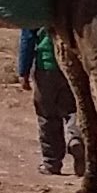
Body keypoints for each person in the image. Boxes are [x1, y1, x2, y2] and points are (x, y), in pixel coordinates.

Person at [17, 23, 74, 177]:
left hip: (46, 66)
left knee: (47, 115)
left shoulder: (37, 6)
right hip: (73, 67)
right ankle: (76, 139)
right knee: (75, 111)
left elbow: (27, 38)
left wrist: (23, 71)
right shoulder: (74, 3)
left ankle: (51, 162)